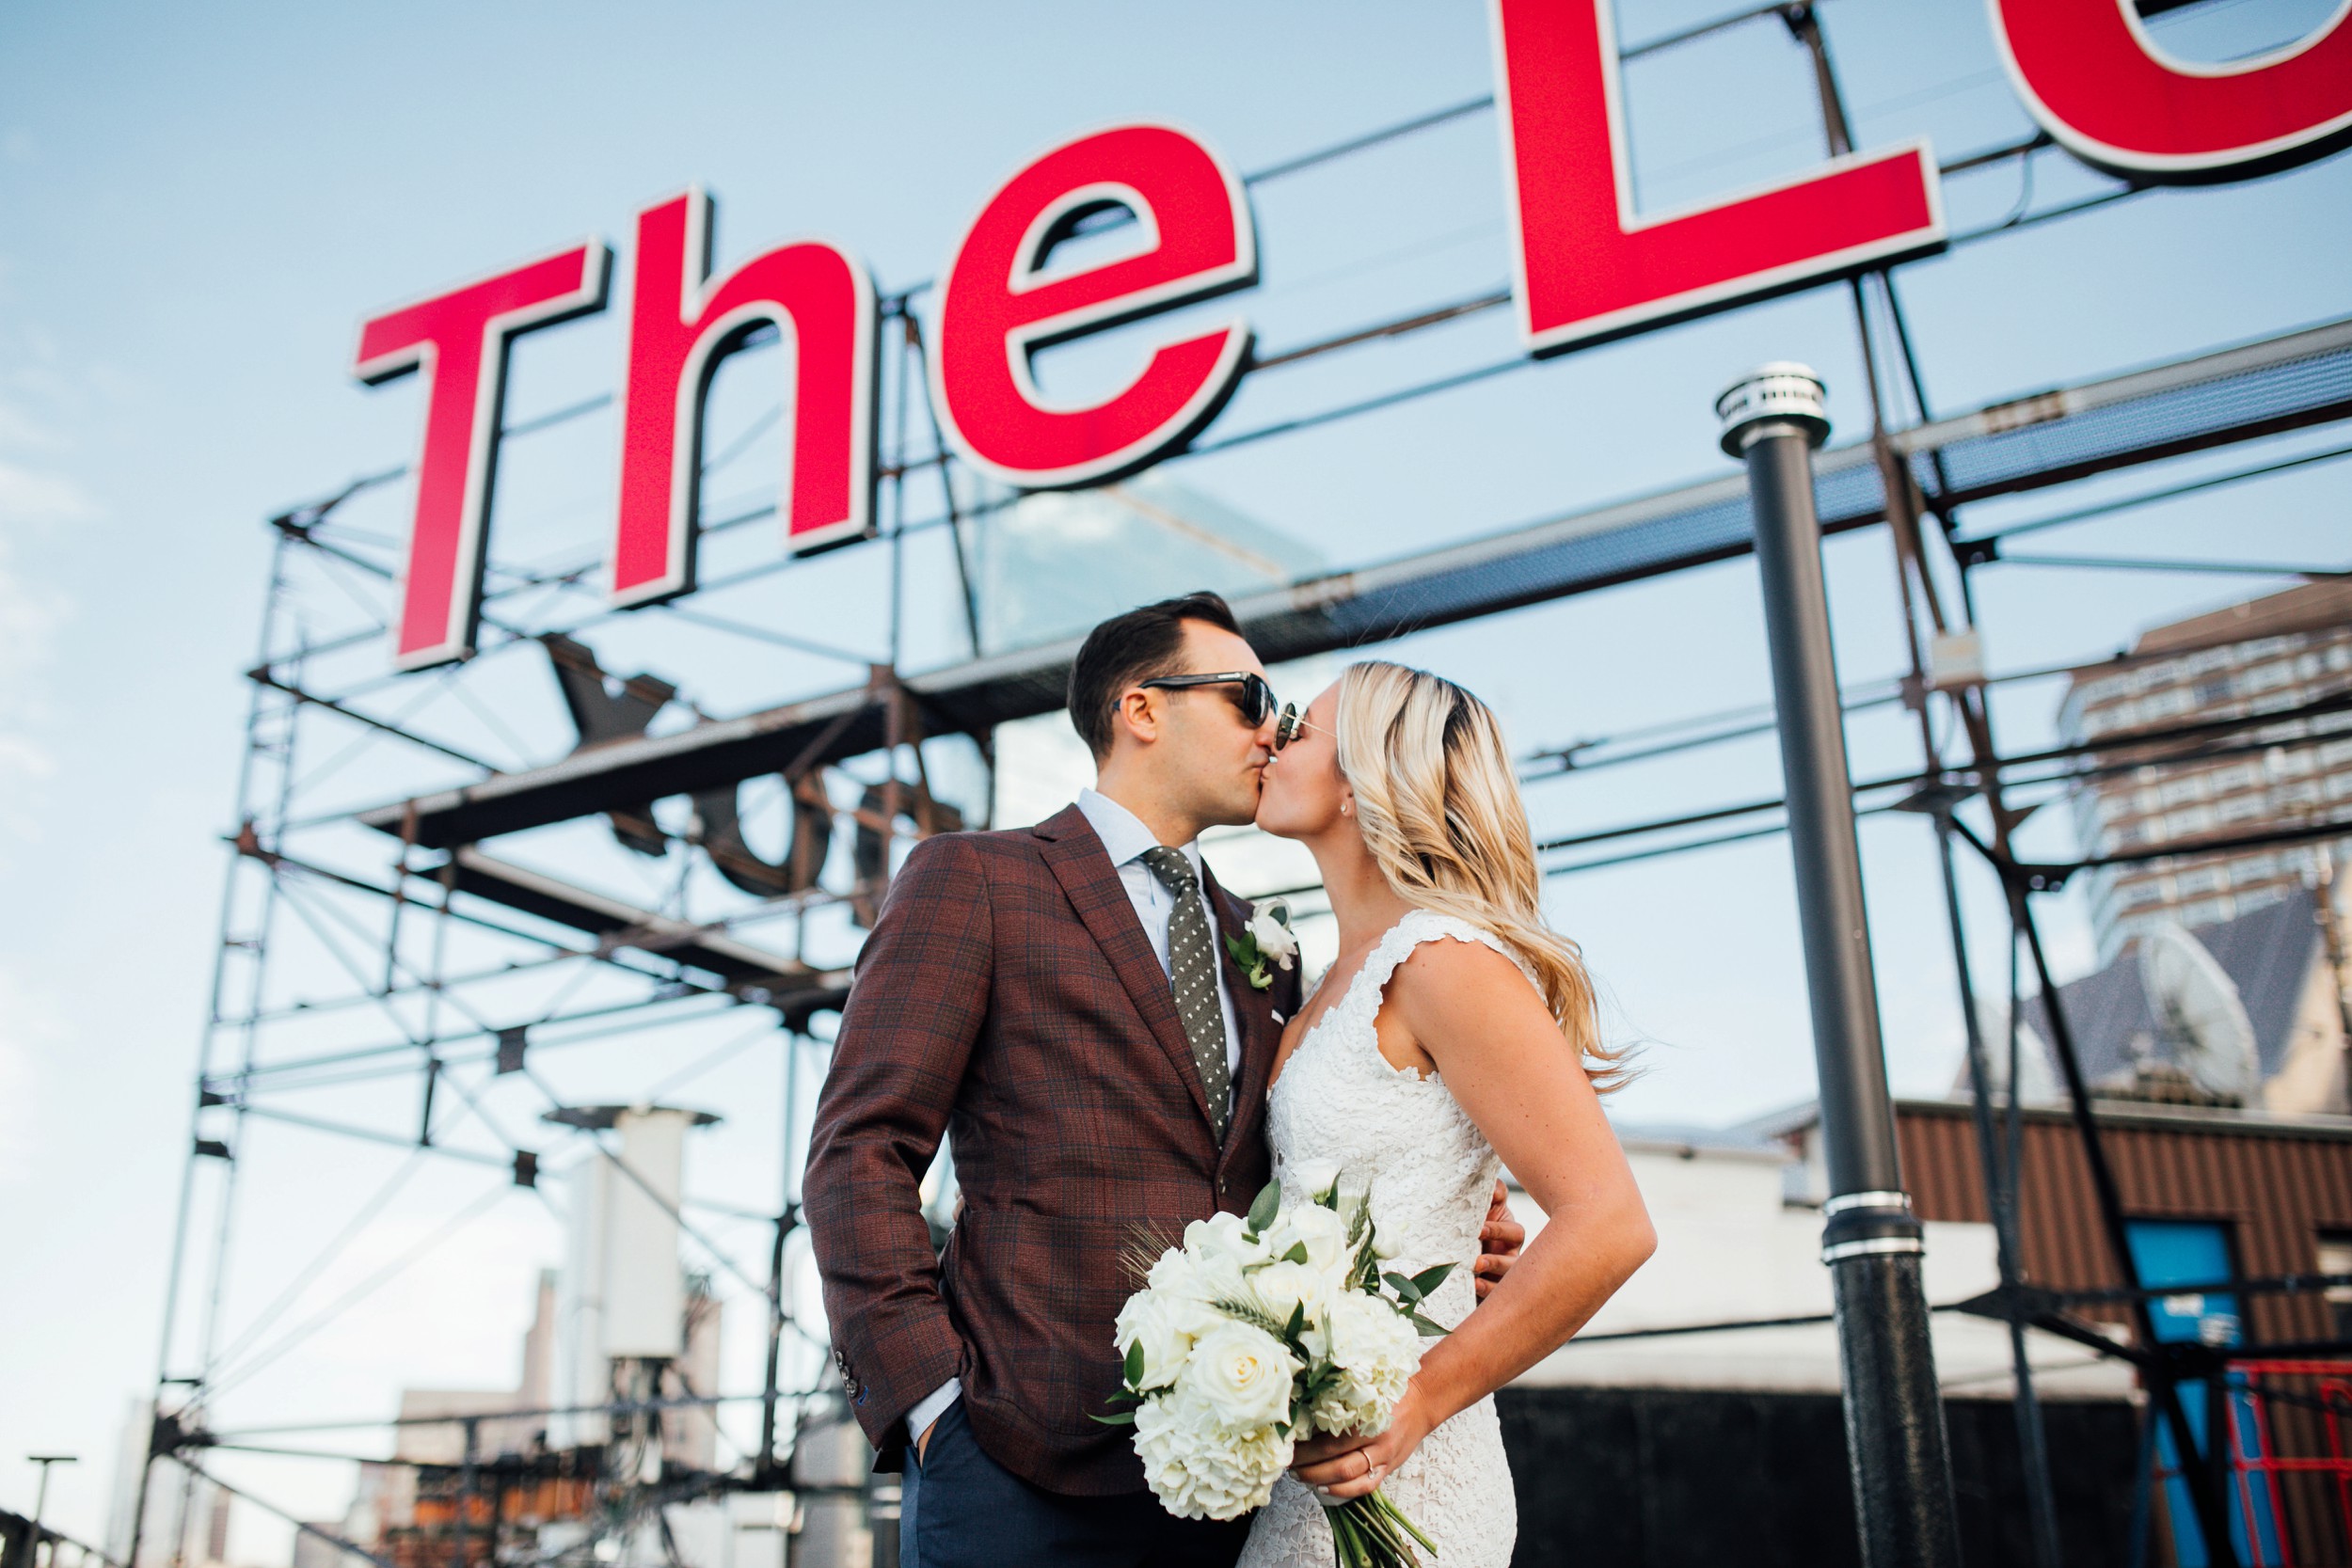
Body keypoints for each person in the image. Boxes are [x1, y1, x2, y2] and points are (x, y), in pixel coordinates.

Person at [803, 594, 1524, 1568]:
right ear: (1141, 709)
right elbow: (859, 1150)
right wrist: (931, 1404)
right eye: (1248, 696)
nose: (1274, 727)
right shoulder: (975, 877)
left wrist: (1451, 1209)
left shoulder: (1264, 947)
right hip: (1012, 1462)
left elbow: (1303, 1159)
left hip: (1232, 1482)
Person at [1235, 660, 1656, 1566]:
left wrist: (1416, 1400)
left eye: (1300, 729)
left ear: (1363, 783)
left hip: (1408, 1472)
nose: (1271, 736)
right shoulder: (1317, 992)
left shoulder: (1445, 960)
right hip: (1300, 1478)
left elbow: (1611, 1221)